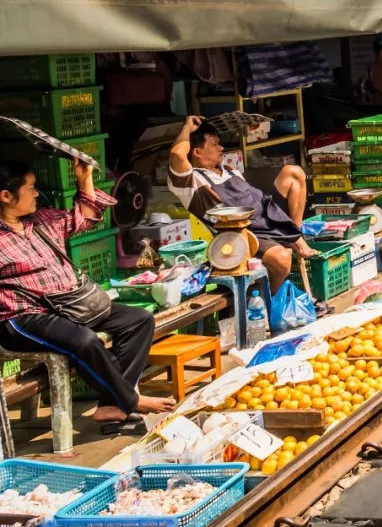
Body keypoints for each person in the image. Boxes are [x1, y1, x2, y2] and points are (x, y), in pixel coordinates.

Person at [0, 160, 175, 423]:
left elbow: (85, 217)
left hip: (69, 305)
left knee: (139, 320)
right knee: (85, 341)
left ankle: (111, 405)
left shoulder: (41, 221)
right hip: (24, 317)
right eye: (31, 188)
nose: (37, 193)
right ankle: (132, 401)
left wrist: (85, 179)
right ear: (5, 196)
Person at [168, 116, 315, 294]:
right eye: (214, 144)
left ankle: (294, 235)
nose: (221, 148)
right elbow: (177, 154)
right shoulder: (190, 181)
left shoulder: (230, 170)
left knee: (294, 173)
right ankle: (265, 303)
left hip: (268, 216)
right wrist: (186, 128)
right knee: (282, 259)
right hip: (245, 233)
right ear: (197, 152)